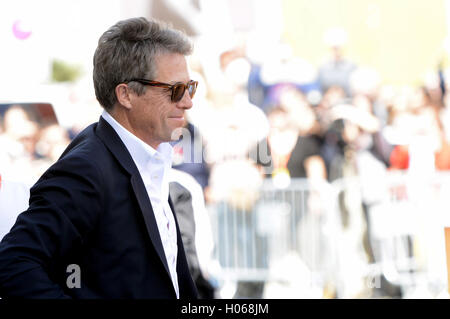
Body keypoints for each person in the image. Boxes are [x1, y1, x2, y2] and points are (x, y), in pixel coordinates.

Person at [0, 17, 198, 299]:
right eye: (175, 90)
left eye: (190, 87)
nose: (187, 101)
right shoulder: (87, 168)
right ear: (126, 94)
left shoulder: (149, 157)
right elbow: (14, 263)